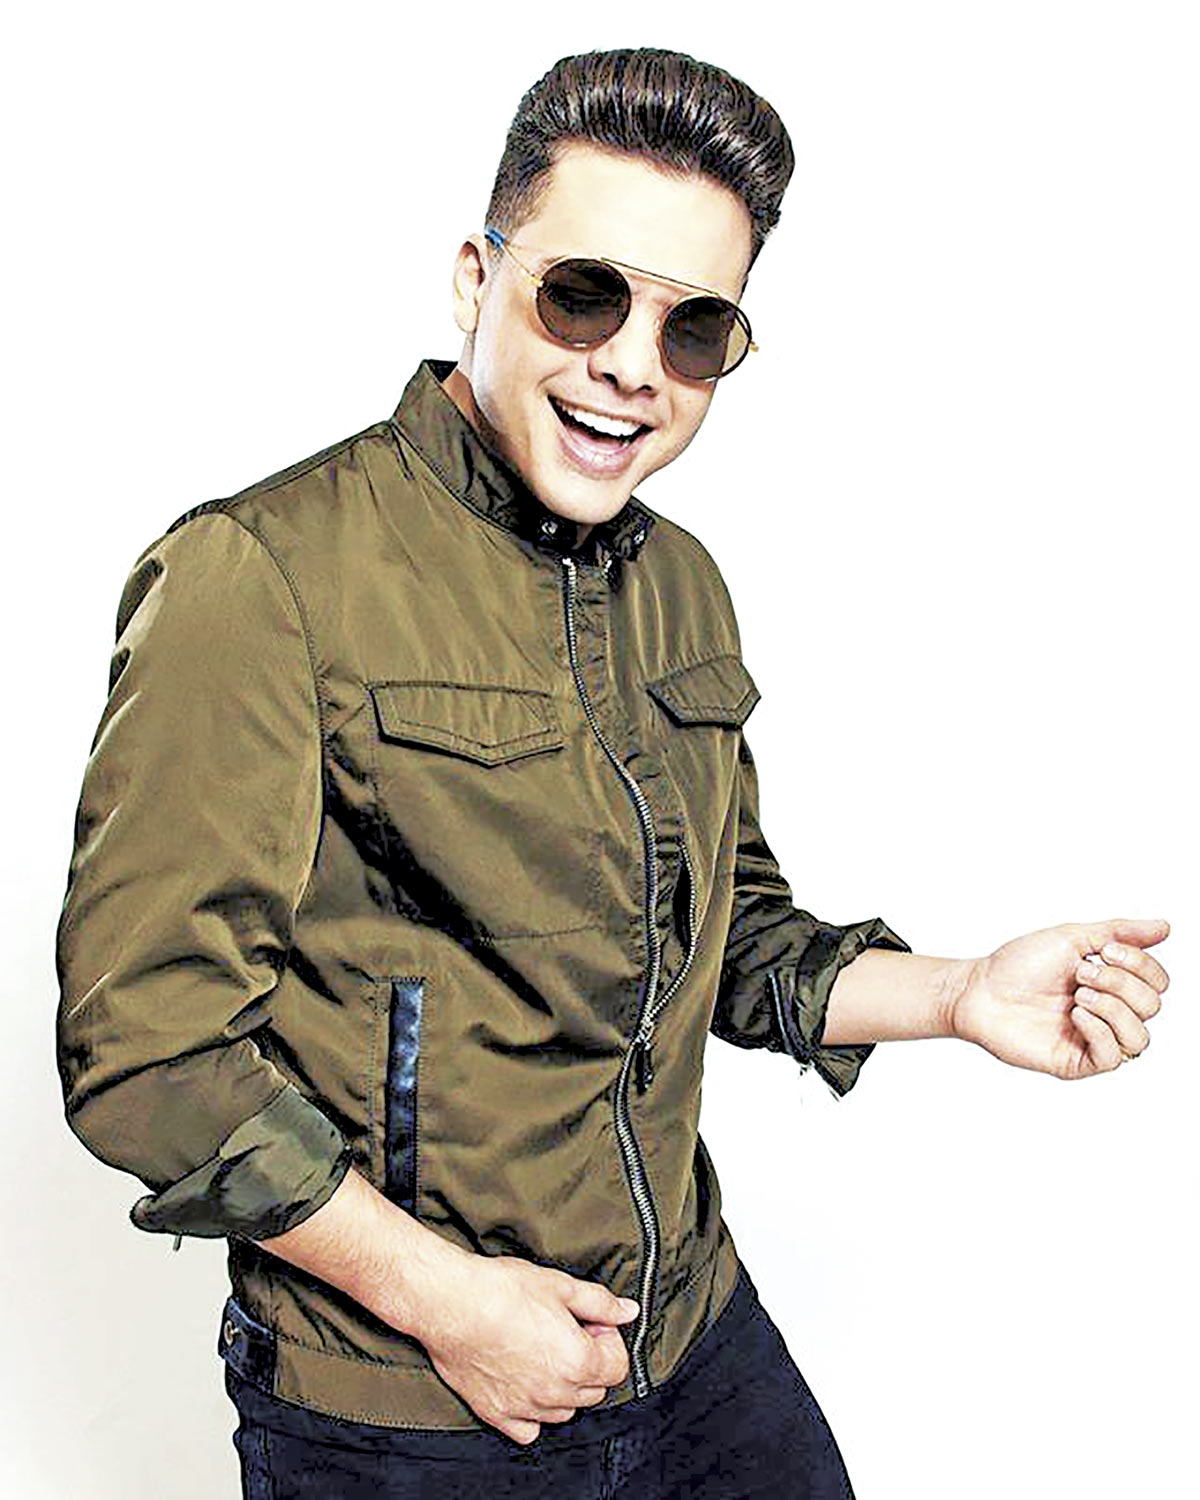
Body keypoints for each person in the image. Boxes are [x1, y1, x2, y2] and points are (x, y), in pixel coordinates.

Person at [55, 47, 1170, 1500]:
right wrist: (451, 1305)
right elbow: (148, 1051)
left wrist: (959, 996)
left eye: (694, 326)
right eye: (584, 294)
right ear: (476, 280)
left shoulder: (682, 586)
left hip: (691, 1341)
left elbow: (725, 937)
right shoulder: (259, 576)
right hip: (413, 1410)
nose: (636, 365)